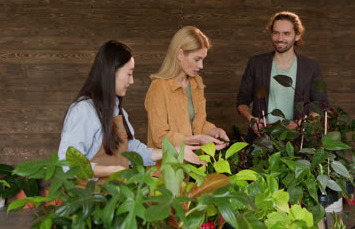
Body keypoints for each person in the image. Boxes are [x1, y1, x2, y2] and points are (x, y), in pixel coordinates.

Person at [58, 40, 202, 179]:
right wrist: (114, 170)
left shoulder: (118, 112)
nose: (131, 81)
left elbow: (132, 151)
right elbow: (69, 164)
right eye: (128, 74)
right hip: (91, 199)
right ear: (111, 72)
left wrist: (174, 151)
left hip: (114, 197)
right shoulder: (83, 110)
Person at [236, 11, 328, 142]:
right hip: (262, 138)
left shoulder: (311, 67)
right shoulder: (256, 63)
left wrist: (301, 124)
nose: (279, 38)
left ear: (297, 35)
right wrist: (251, 120)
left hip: (299, 139)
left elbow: (321, 104)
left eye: (286, 33)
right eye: (275, 32)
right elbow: (242, 101)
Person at [144, 26, 229, 162]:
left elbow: (198, 124)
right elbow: (160, 138)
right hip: (166, 171)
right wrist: (198, 139)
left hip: (192, 166)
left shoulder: (197, 82)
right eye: (197, 59)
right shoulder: (158, 87)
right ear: (180, 54)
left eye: (203, 59)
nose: (201, 66)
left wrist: (213, 131)